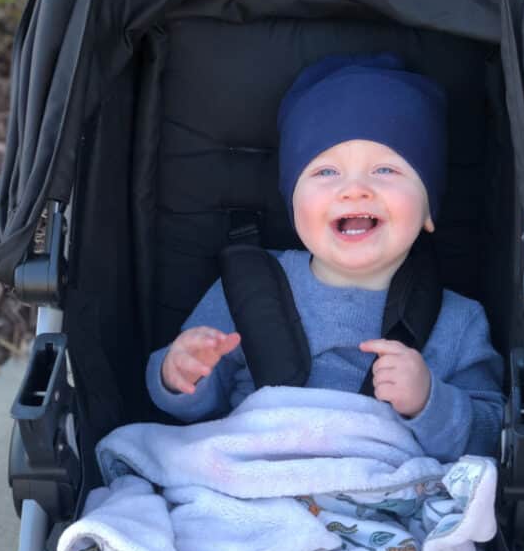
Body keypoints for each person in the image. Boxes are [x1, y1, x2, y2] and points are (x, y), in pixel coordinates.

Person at [146, 53, 504, 462]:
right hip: (251, 478)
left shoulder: (457, 321)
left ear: (427, 212)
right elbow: (193, 408)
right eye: (326, 173)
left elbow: (492, 434)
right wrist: (181, 374)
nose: (354, 190)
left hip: (376, 499)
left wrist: (430, 402)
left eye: (385, 171)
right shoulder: (246, 289)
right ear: (293, 204)